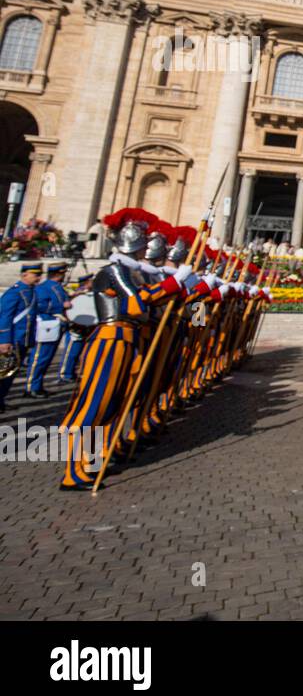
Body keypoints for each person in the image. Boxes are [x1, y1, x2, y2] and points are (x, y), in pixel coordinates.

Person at [58, 209, 190, 490]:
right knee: (96, 403)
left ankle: (96, 458)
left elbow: (183, 310)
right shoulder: (115, 270)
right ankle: (73, 470)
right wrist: (175, 283)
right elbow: (136, 305)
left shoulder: (135, 272)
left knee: (118, 401)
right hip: (111, 339)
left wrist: (185, 292)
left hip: (134, 338)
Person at [0, 261, 42, 413]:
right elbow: (5, 317)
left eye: (39, 275)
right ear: (24, 274)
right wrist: (4, 341)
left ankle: (1, 400)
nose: (38, 278)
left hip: (24, 338)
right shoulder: (14, 292)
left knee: (11, 373)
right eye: (35, 275)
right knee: (4, 373)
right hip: (13, 339)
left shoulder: (32, 291)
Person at [26, 260, 72, 397]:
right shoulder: (43, 287)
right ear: (59, 273)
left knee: (47, 358)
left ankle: (38, 385)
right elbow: (39, 306)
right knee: (40, 357)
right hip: (47, 326)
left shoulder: (57, 286)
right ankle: (31, 387)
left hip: (56, 326)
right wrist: (61, 307)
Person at [59, 273, 95, 383]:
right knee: (71, 352)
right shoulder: (77, 294)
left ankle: (72, 372)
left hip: (87, 326)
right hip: (76, 327)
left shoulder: (91, 293)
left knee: (78, 352)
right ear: (87, 282)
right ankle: (65, 374)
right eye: (91, 281)